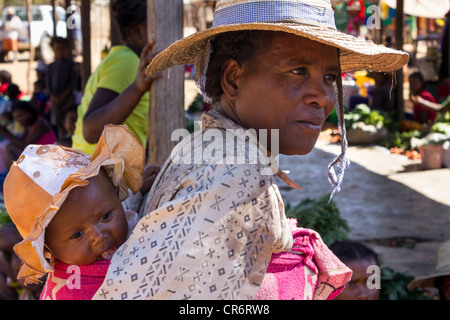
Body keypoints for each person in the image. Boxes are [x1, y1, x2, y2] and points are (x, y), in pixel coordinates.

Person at [93, 0, 408, 300]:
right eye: (298, 71)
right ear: (233, 80)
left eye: (329, 77)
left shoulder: (210, 151)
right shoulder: (236, 174)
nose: (323, 97)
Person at [3, 125, 159, 300]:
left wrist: (135, 191)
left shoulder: (78, 229)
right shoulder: (78, 291)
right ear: (47, 248)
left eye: (105, 216)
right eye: (77, 234)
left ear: (116, 193)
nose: (98, 236)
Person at [71, 0, 161, 155]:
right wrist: (136, 89)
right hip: (96, 170)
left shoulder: (124, 58)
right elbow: (91, 130)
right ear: (137, 31)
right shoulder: (128, 62)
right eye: (155, 25)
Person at [0, 101, 56, 169]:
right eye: (16, 117)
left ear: (30, 112)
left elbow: (25, 144)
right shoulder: (29, 126)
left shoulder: (40, 124)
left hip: (46, 158)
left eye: (21, 115)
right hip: (39, 156)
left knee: (8, 148)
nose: (19, 119)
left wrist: (5, 133)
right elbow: (20, 141)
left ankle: (13, 174)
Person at [46, 36, 76, 139]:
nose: (60, 51)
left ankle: (70, 142)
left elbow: (72, 83)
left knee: (69, 121)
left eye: (62, 49)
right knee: (58, 122)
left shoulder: (70, 65)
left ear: (66, 49)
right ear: (53, 49)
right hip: (55, 100)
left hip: (68, 99)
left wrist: (63, 96)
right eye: (57, 49)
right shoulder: (50, 67)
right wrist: (53, 97)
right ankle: (61, 142)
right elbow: (48, 85)